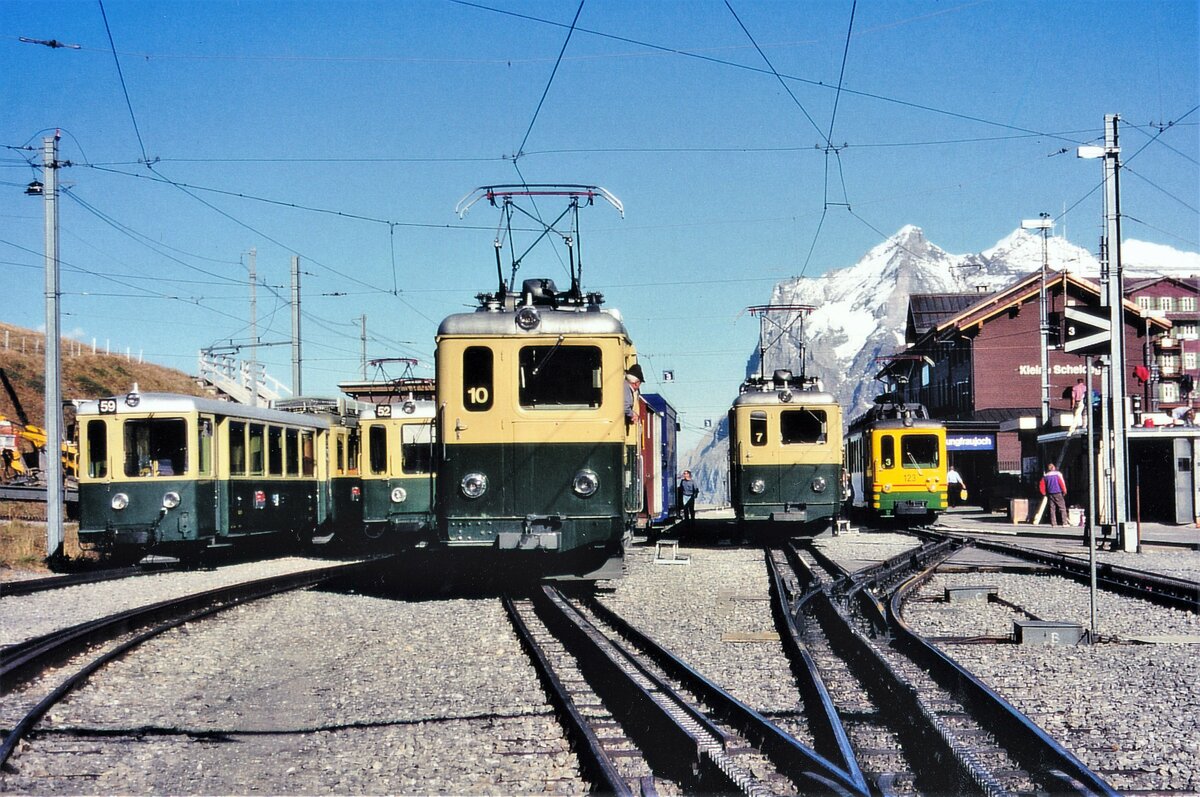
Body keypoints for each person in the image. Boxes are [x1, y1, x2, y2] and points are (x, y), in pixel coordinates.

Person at [1039, 463, 1069, 527]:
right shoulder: (1058, 474)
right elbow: (1061, 483)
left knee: (1052, 508)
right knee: (1062, 507)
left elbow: (1041, 485)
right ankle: (1064, 523)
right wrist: (1064, 491)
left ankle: (1054, 523)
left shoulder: (1045, 476)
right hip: (1058, 492)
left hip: (1050, 493)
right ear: (1054, 468)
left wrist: (1043, 493)